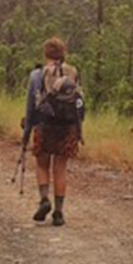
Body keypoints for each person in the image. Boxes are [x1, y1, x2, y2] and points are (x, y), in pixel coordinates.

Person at [23, 36, 83, 226]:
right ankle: (58, 212)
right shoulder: (72, 72)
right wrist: (78, 130)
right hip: (67, 127)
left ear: (46, 53)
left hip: (44, 125)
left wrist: (26, 133)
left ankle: (44, 200)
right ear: (63, 53)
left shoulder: (37, 75)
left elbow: (31, 106)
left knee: (42, 164)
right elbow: (80, 103)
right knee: (60, 168)